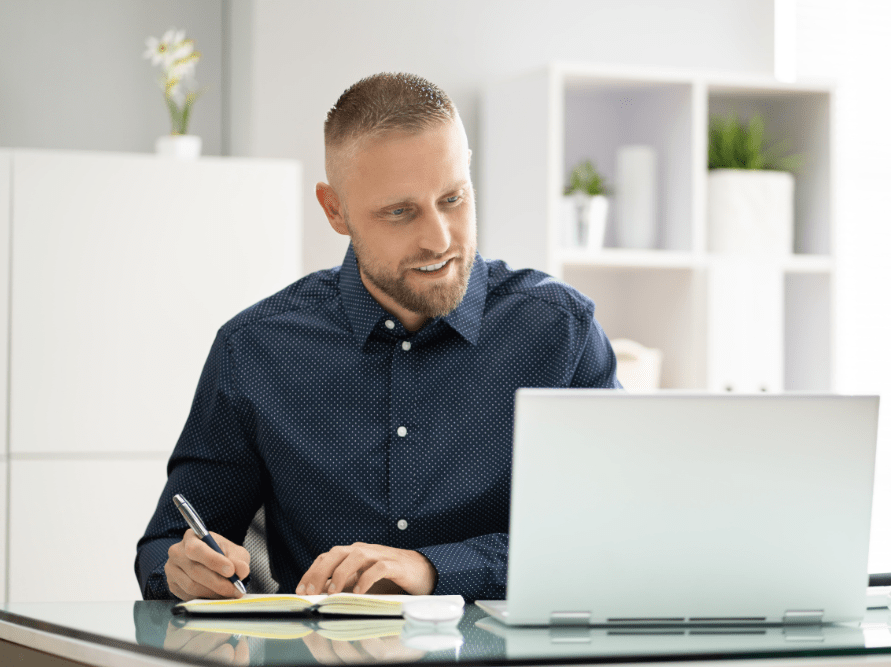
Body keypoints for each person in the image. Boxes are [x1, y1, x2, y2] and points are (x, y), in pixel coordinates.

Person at [135, 72, 620, 602]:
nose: (438, 239)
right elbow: (166, 544)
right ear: (335, 210)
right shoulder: (254, 350)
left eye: (453, 199)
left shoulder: (560, 331)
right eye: (399, 212)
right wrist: (182, 568)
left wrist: (433, 569)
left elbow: (609, 537)